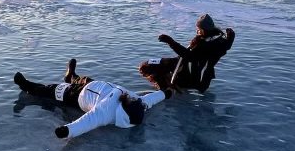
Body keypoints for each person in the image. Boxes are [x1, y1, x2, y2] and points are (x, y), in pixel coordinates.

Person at [13, 59, 170, 139]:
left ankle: (26, 85)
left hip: (77, 95)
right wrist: (165, 93)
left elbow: (88, 122)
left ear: (125, 108)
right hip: (95, 85)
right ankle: (71, 76)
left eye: (130, 100)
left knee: (49, 90)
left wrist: (67, 130)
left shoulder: (106, 113)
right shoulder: (139, 104)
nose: (132, 97)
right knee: (81, 79)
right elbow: (151, 99)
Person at [138, 13, 235, 93]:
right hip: (189, 68)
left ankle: (165, 91)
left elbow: (190, 56)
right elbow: (226, 46)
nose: (197, 31)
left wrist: (170, 42)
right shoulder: (219, 40)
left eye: (199, 29)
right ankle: (168, 83)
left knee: (145, 66)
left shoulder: (206, 44)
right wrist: (231, 38)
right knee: (149, 64)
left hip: (190, 76)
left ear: (204, 29)